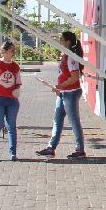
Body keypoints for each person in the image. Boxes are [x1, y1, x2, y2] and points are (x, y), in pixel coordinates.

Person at [36, 31, 86, 159]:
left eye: (61, 39)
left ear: (67, 42)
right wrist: (60, 87)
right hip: (64, 92)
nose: (60, 41)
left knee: (74, 121)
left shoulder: (71, 57)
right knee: (57, 120)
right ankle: (51, 148)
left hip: (70, 93)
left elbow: (75, 77)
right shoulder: (65, 55)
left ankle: (80, 149)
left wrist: (61, 86)